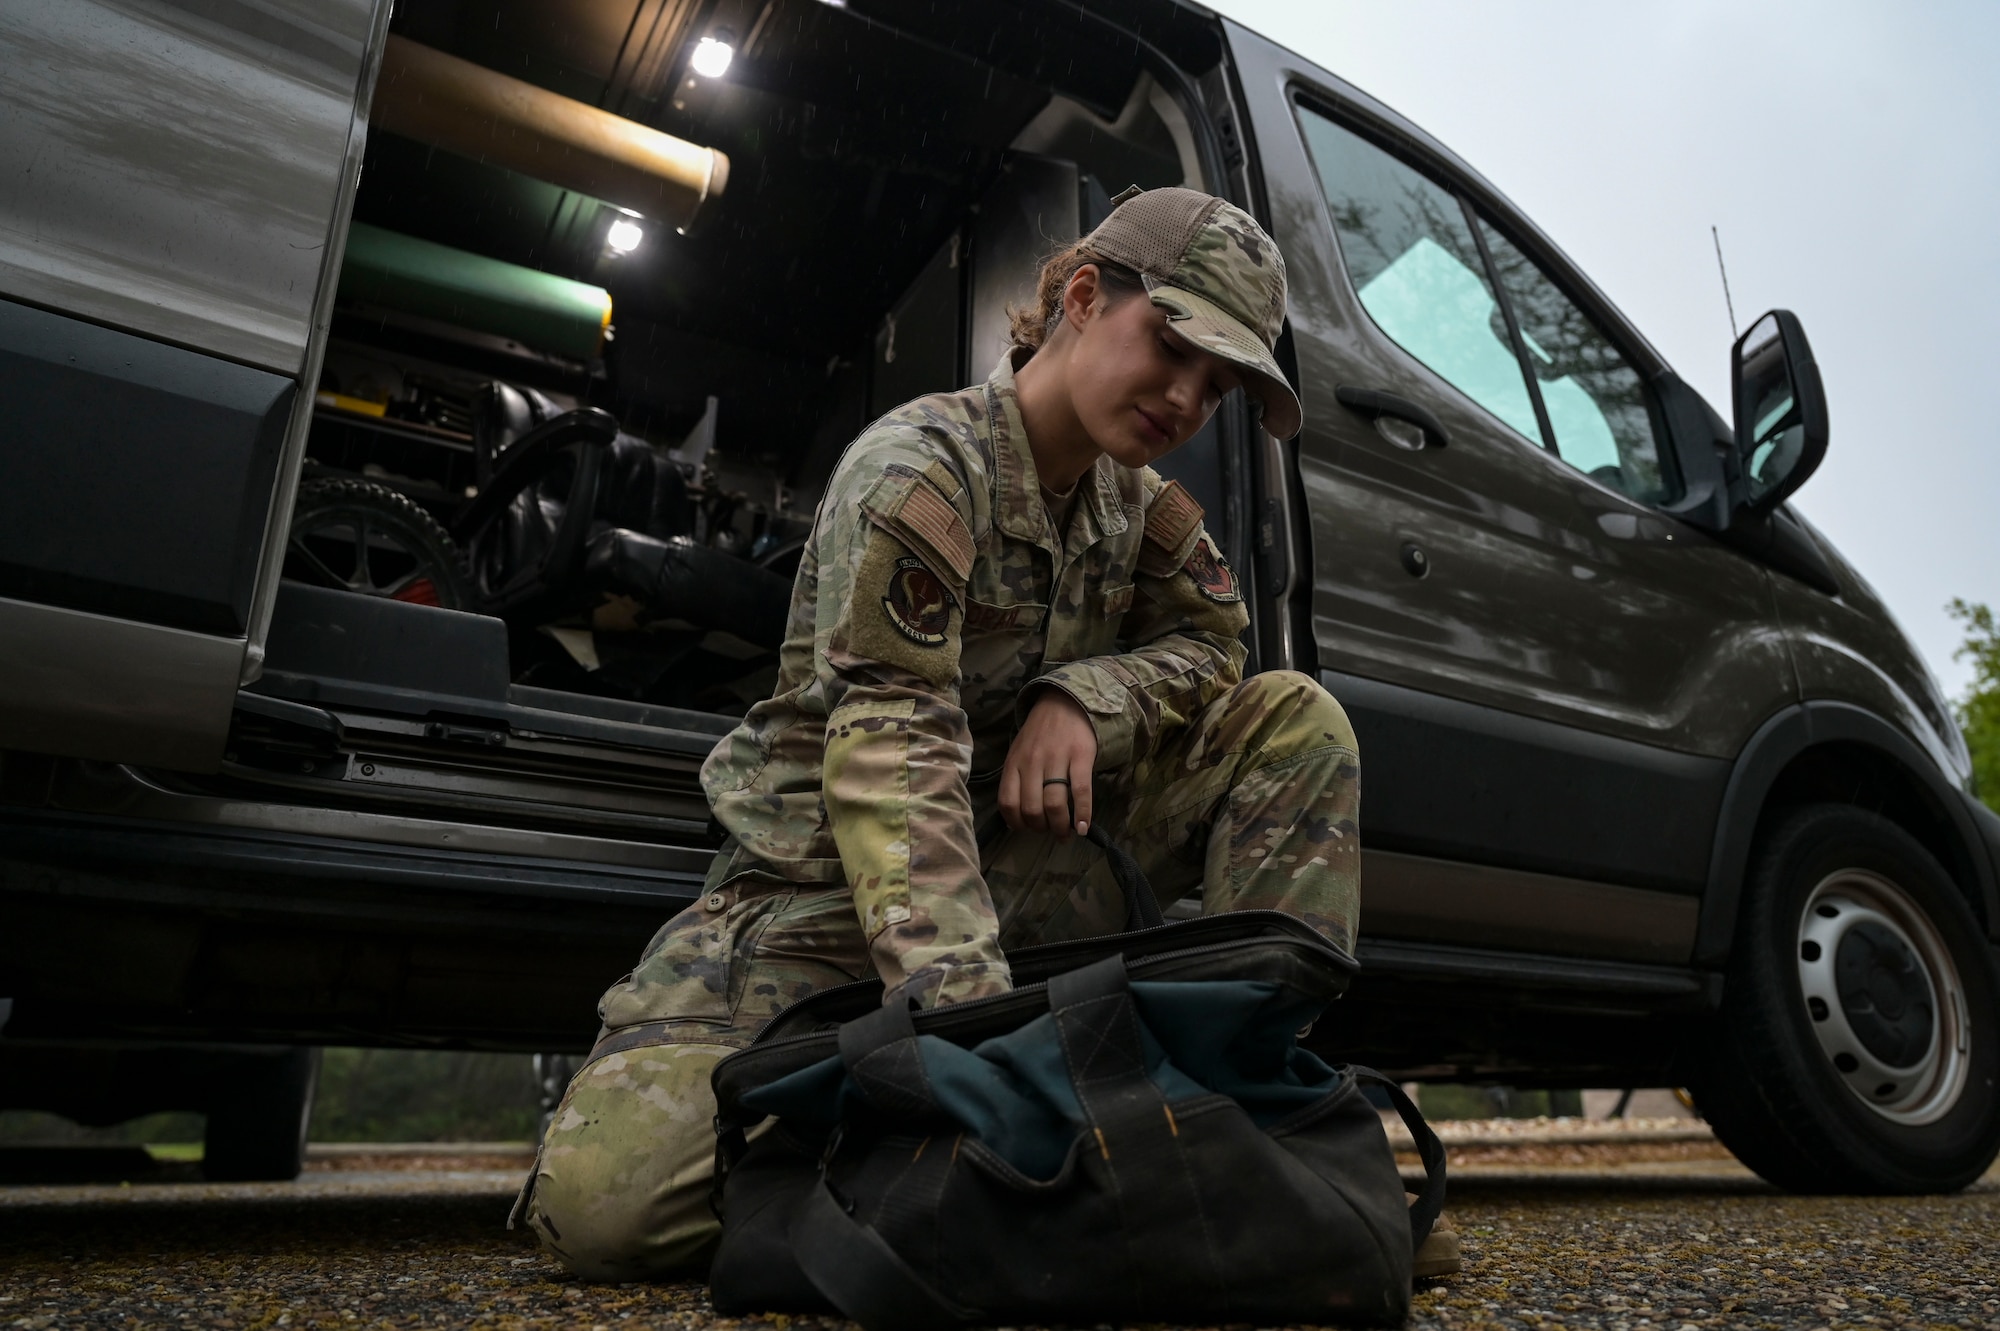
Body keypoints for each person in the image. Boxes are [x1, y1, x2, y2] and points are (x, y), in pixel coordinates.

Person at [517, 186, 1370, 1278]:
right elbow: (893, 753)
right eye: (1171, 345)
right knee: (608, 1214)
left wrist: (1085, 698)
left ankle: (1255, 1118)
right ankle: (972, 1133)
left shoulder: (1137, 506)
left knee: (1293, 718)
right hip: (824, 892)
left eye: (1217, 386)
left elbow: (1216, 648)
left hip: (1026, 874)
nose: (1186, 396)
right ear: (1078, 296)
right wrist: (977, 1052)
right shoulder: (924, 465)